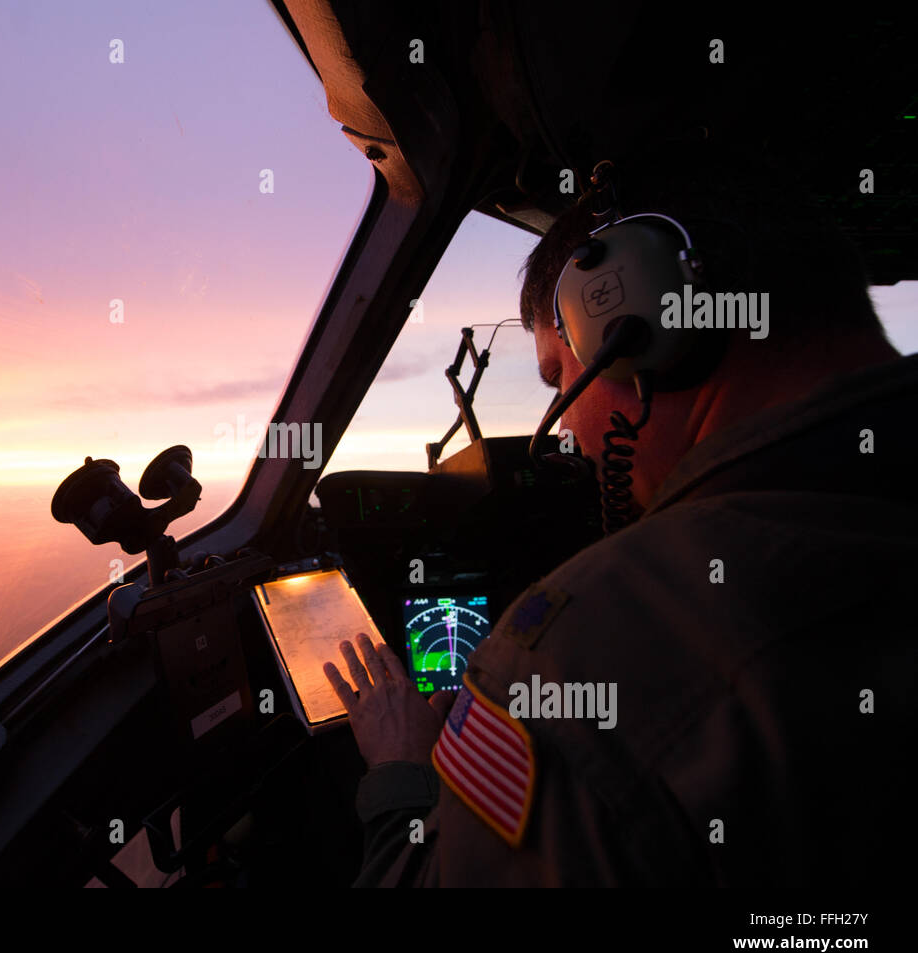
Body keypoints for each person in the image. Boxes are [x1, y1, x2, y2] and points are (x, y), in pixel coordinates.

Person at [323, 152, 918, 885]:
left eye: (560, 375)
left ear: (637, 322)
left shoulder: (581, 650)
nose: (565, 428)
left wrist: (400, 773)